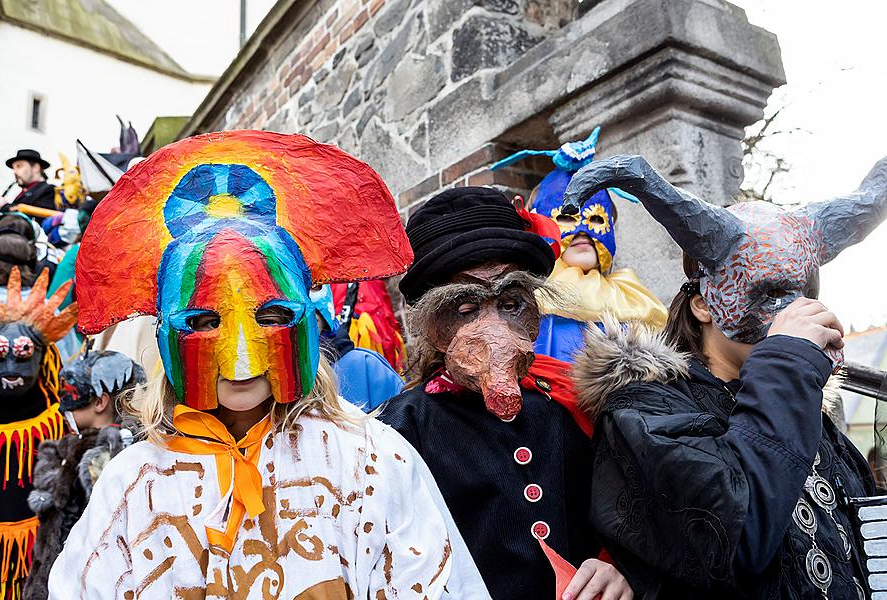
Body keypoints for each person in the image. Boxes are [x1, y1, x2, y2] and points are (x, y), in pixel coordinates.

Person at [49, 131, 489, 599]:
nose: (240, 358)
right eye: (202, 322)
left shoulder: (369, 459)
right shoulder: (134, 484)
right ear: (165, 335)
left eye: (272, 317)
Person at [565, 154, 887, 598]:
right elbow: (738, 538)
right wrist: (787, 361)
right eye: (771, 291)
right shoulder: (648, 409)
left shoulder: (809, 412)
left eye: (804, 292)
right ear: (703, 304)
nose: (793, 311)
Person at [378, 186, 632, 600]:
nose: (494, 331)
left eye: (511, 303)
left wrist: (619, 566)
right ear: (432, 324)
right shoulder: (400, 431)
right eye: (466, 308)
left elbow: (632, 508)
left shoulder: (577, 400)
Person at [492, 126, 667, 363]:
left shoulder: (632, 296)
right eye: (566, 218)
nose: (583, 231)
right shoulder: (528, 295)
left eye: (596, 219)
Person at [23, 351, 146, 600]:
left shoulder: (118, 453)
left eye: (71, 394)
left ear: (100, 402)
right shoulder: (70, 447)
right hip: (57, 577)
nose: (61, 409)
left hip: (88, 581)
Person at [0, 268, 76, 599]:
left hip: (38, 561)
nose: (10, 370)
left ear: (43, 357)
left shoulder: (59, 419)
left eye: (23, 354)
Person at [5, 150, 56, 214]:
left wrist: (4, 206)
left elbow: (39, 215)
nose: (15, 172)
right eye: (14, 168)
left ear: (36, 167)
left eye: (19, 166)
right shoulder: (24, 192)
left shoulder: (50, 190)